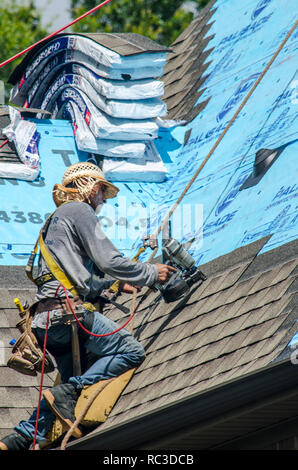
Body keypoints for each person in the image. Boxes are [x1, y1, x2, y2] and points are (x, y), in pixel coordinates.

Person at [0, 162, 176, 451]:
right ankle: (71, 391)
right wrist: (150, 273)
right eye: (102, 192)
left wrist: (114, 286)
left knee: (62, 393)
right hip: (68, 314)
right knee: (130, 351)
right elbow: (110, 261)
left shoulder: (54, 221)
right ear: (91, 189)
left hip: (45, 322)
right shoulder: (80, 211)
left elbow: (80, 279)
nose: (103, 200)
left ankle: (20, 438)